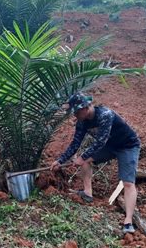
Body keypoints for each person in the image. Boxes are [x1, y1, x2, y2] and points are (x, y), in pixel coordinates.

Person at [51, 93, 141, 234]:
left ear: (85, 108)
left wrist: (81, 158)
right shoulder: (82, 122)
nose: (74, 115)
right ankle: (88, 193)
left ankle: (128, 222)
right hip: (110, 146)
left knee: (128, 183)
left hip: (127, 146)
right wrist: (60, 160)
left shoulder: (105, 115)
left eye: (76, 112)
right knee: (85, 161)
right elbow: (75, 143)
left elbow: (100, 142)